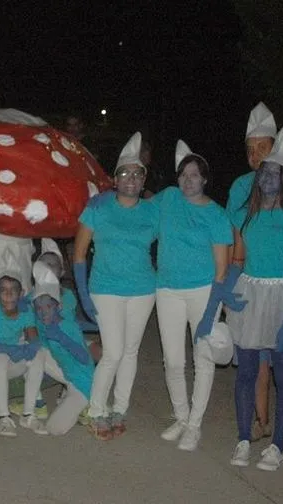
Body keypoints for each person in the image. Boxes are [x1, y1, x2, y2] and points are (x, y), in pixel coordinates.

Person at [226, 102, 283, 445]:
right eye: (250, 149)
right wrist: (226, 289)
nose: (255, 155)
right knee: (256, 358)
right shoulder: (240, 187)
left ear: (274, 149)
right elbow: (235, 238)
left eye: (262, 147)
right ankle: (260, 420)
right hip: (253, 285)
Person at [73, 132, 160, 441]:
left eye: (138, 174)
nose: (131, 180)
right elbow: (80, 254)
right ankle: (96, 409)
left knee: (131, 351)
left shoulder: (153, 209)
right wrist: (83, 295)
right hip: (106, 287)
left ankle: (120, 407)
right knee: (113, 351)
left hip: (143, 288)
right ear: (114, 178)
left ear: (143, 178)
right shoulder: (98, 207)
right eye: (125, 173)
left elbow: (177, 235)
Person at [153, 141, 234, 452]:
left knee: (203, 358)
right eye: (184, 174)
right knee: (173, 359)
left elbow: (222, 268)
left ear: (204, 179)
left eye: (195, 175)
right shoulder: (168, 198)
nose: (188, 180)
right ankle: (182, 416)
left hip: (202, 291)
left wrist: (216, 303)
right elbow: (139, 209)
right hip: (167, 289)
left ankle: (195, 425)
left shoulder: (216, 215)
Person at [0, 248, 47, 437]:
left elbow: (34, 338)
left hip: (11, 361)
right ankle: (3, 417)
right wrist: (13, 350)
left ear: (21, 293)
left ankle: (28, 414)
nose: (8, 294)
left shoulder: (25, 311)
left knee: (39, 355)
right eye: (3, 290)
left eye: (13, 290)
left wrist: (29, 348)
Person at [31, 262, 95, 436]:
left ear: (58, 306)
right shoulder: (43, 324)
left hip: (83, 382)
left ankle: (92, 403)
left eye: (49, 307)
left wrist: (61, 337)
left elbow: (84, 357)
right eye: (39, 308)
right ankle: (35, 402)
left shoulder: (67, 325)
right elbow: (42, 348)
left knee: (54, 429)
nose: (43, 312)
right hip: (65, 372)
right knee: (33, 352)